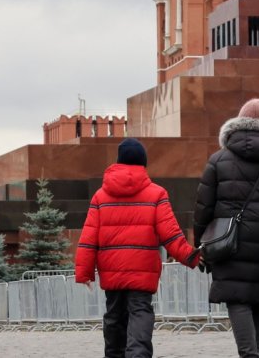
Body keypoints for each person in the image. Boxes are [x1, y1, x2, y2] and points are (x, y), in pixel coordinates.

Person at [75, 138, 201, 358]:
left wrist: (84, 272)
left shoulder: (100, 196)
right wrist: (191, 257)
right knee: (140, 312)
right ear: (143, 163)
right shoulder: (156, 194)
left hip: (112, 270)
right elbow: (170, 234)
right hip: (142, 271)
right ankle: (138, 354)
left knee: (114, 315)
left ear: (119, 161)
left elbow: (88, 237)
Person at [193, 99, 259, 358]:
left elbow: (204, 206)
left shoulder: (218, 161)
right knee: (258, 299)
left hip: (230, 243)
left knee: (238, 299)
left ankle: (250, 355)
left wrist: (200, 242)